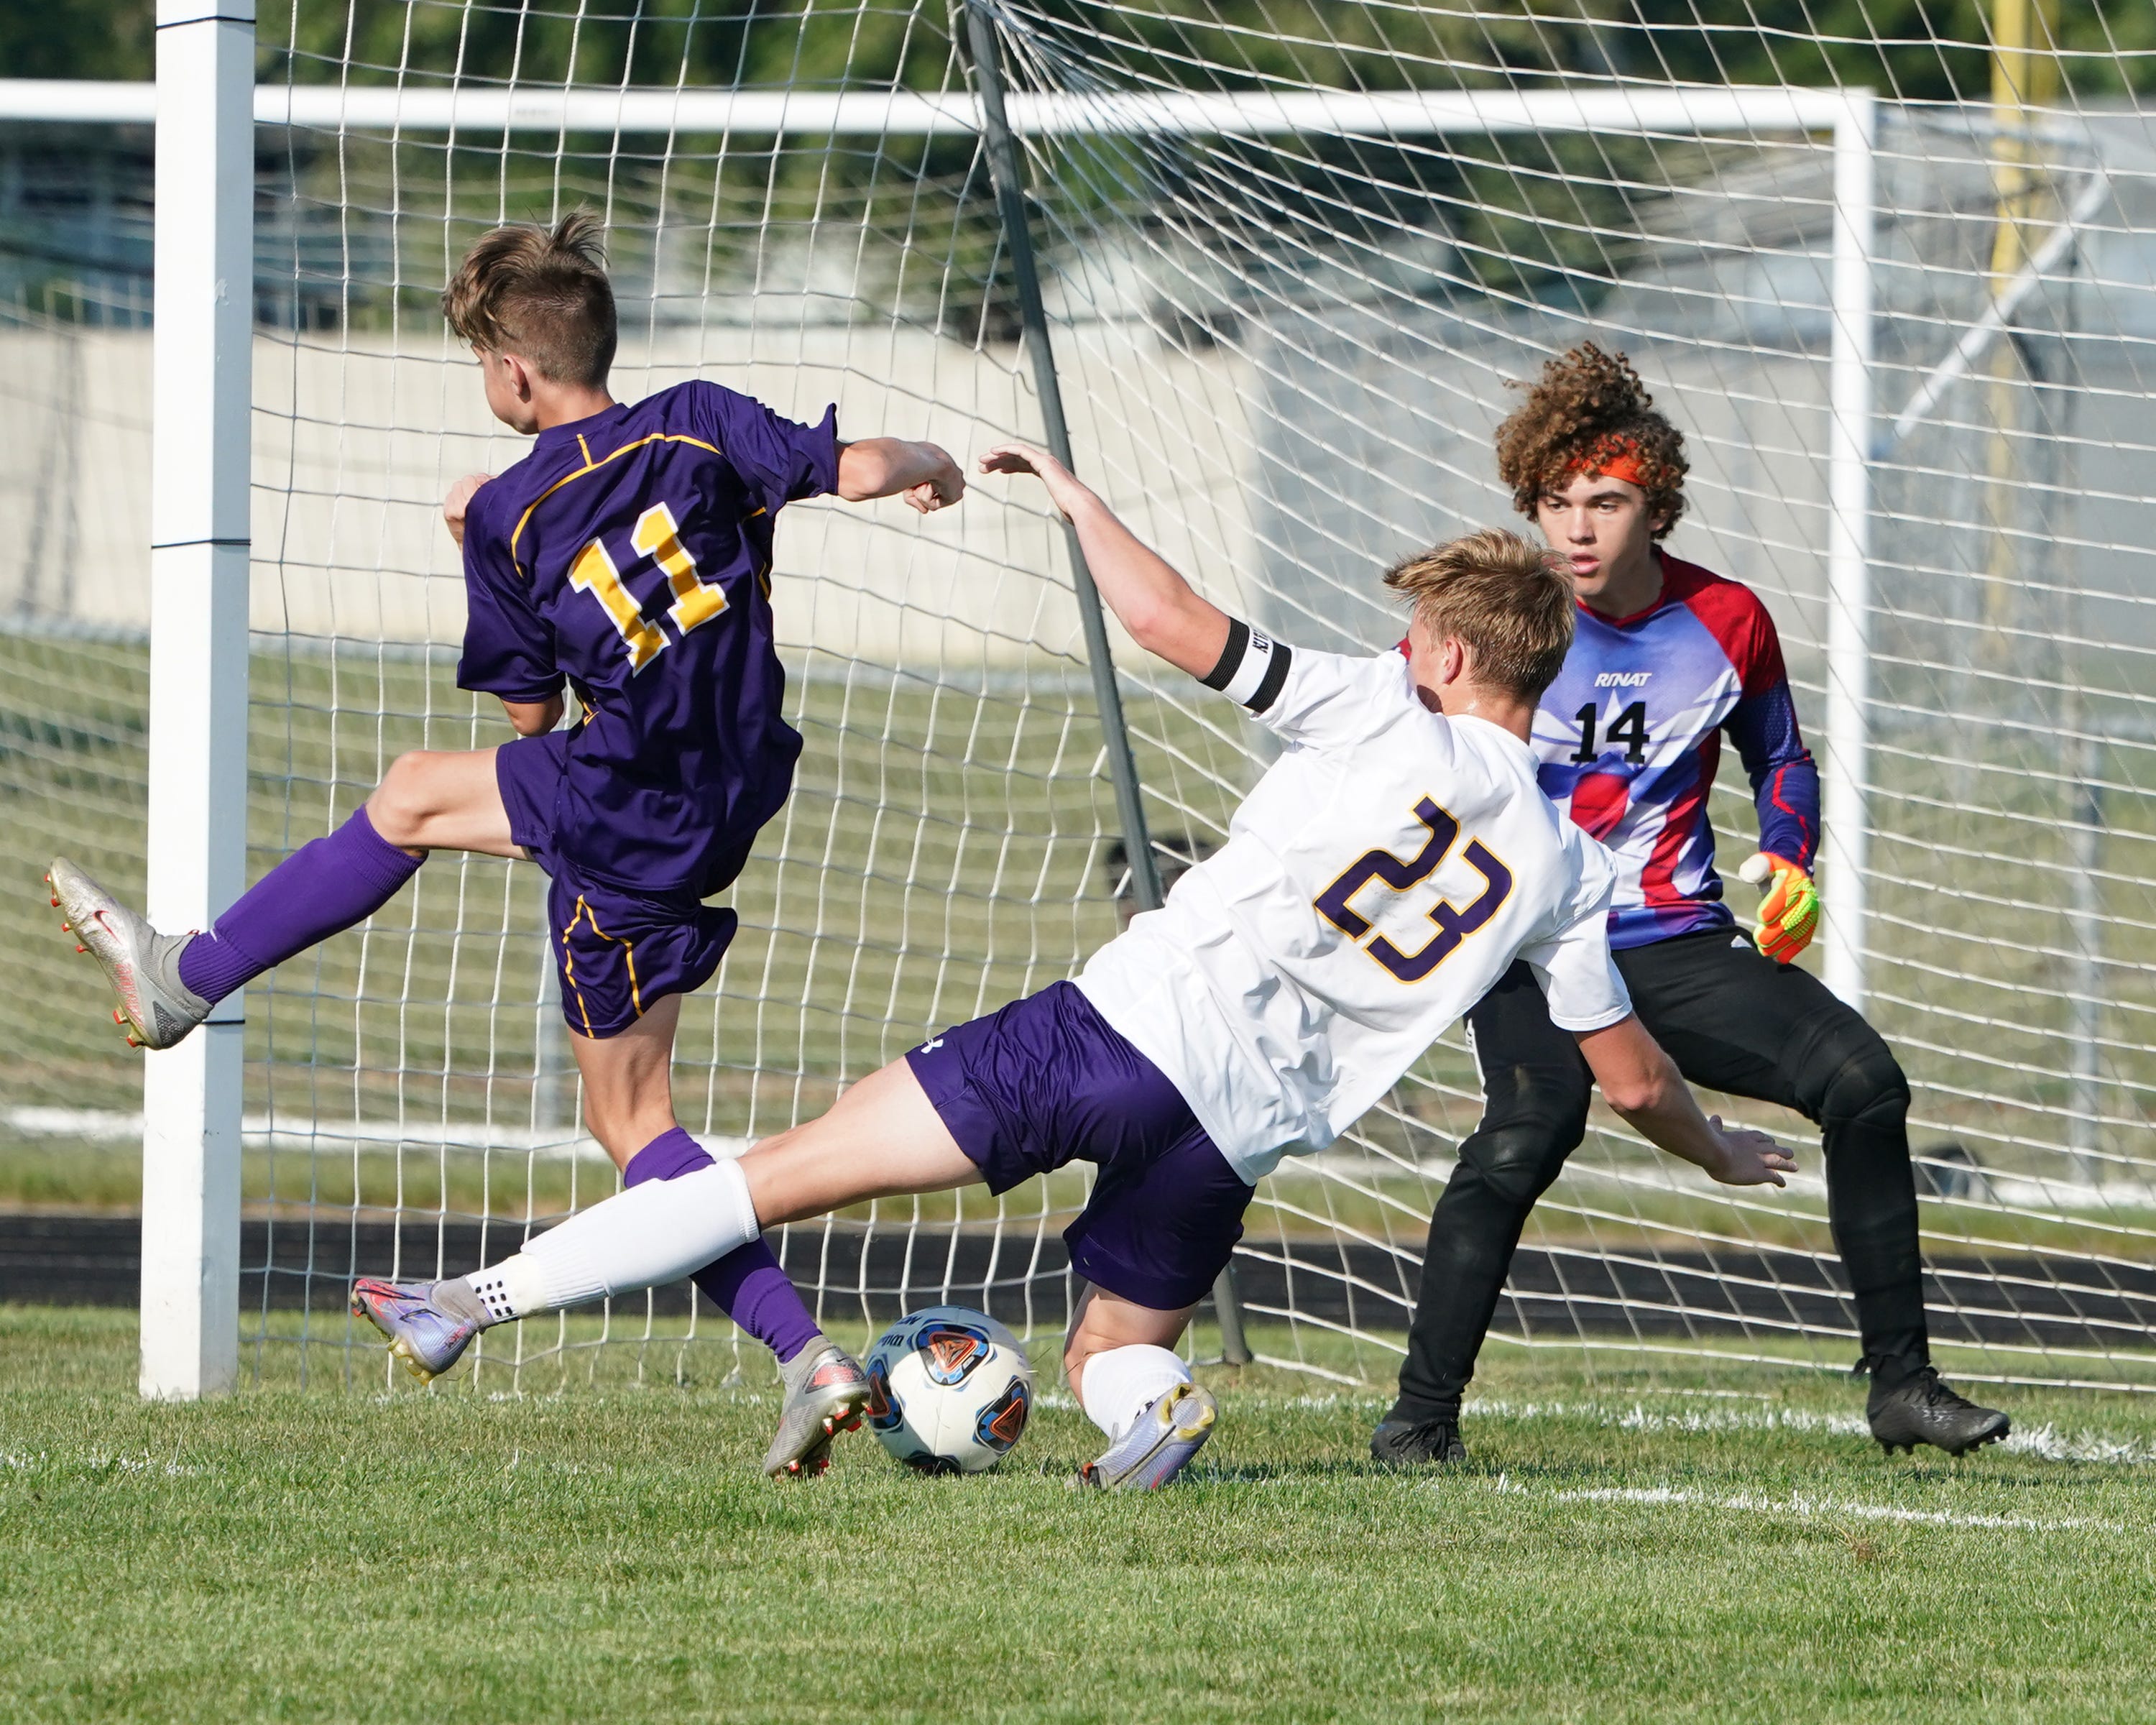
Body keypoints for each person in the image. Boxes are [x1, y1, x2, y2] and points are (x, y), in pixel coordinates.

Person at [352, 441, 1798, 1489]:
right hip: (1233, 1136)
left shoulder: (1382, 711)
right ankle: (1151, 1412)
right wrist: (1718, 1149)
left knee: (770, 1171)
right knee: (1114, 1339)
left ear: (1451, 661)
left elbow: (1173, 625)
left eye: (1412, 634)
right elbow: (1630, 1077)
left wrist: (1076, 494)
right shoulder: (1564, 862)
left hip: (1114, 1035)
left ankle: (466, 1307)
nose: (1395, 644)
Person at [46, 211, 966, 1478]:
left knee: (637, 1128)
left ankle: (186, 982)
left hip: (627, 810)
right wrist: (930, 459)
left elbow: (529, 717)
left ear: (514, 374)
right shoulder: (697, 419)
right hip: (732, 783)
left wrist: (479, 535)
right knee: (425, 800)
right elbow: (853, 469)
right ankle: (188, 979)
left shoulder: (514, 513)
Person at [1370, 344, 2010, 1467]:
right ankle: (1419, 1423)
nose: (1576, 528)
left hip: (1673, 941)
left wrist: (1792, 856)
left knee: (1866, 1085)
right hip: (1528, 946)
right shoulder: (1498, 621)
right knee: (1526, 1135)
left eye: (1604, 502)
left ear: (1652, 506)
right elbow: (1391, 749)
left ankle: (1903, 1386)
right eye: (1555, 502)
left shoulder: (1729, 619)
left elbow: (1781, 757)